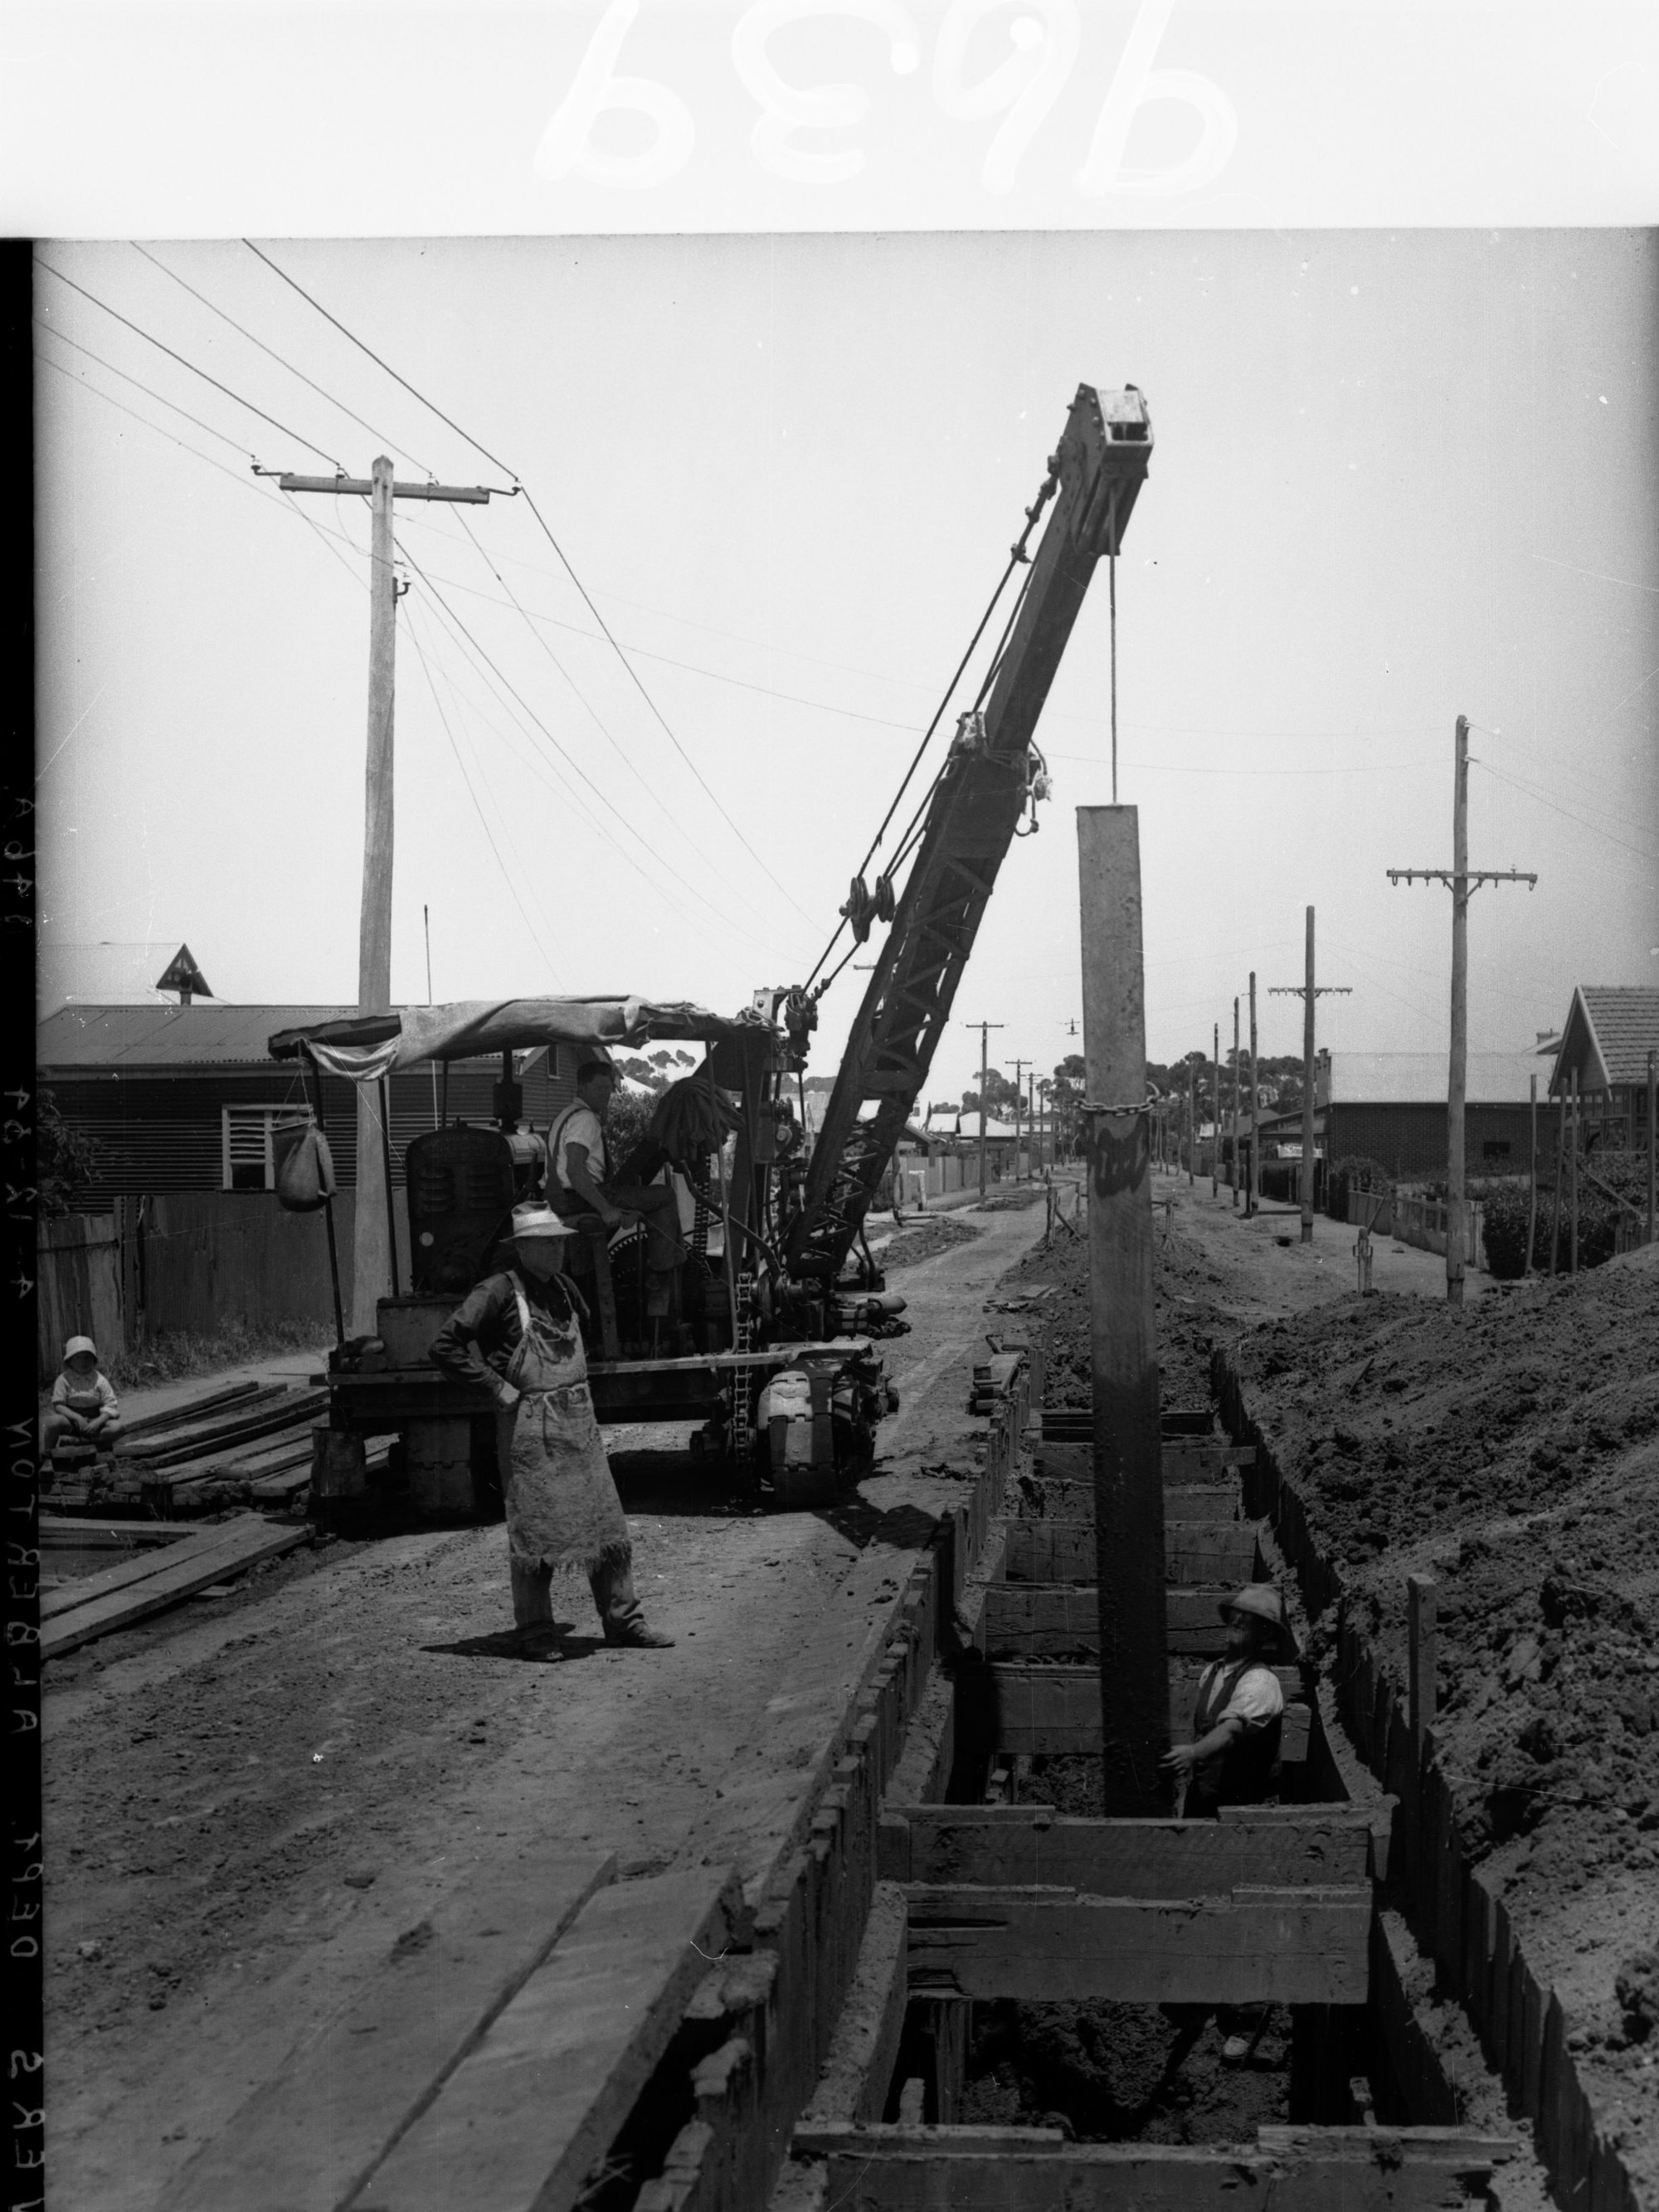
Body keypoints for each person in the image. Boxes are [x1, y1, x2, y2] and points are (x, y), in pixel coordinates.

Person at [429, 1204, 674, 1649]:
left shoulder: (565, 1288)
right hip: (528, 1425)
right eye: (547, 1243)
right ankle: (537, 1632)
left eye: (560, 1240)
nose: (558, 1249)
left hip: (578, 1421)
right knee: (535, 1528)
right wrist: (493, 1386)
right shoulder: (497, 1292)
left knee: (605, 1525)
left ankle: (624, 1622)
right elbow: (445, 1345)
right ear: (522, 1248)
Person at [1159, 1583, 1289, 2064]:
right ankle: (1204, 1998)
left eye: (1248, 1620)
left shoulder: (1261, 1683)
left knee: (1241, 1907)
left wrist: (1194, 1753)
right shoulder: (1212, 1672)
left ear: (1263, 1633)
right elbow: (1205, 1728)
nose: (1237, 1624)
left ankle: (1247, 2017)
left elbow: (1232, 1731)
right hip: (1205, 1802)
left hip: (1244, 1812)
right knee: (1200, 1896)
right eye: (1233, 1616)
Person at [545, 1060, 685, 1315]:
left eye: (609, 1088)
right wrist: (607, 1209)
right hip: (580, 1198)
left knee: (640, 1198)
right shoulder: (585, 1119)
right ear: (582, 1087)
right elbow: (576, 1171)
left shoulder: (566, 1115)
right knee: (664, 1196)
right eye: (599, 1088)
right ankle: (662, 1274)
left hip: (564, 1198)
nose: (606, 1095)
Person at [42, 1336, 122, 1454]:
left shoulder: (100, 1380)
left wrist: (98, 1422)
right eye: (78, 1357)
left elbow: (110, 1404)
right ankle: (48, 1455)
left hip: (95, 1422)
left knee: (118, 1427)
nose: (83, 1361)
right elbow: (58, 1405)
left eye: (87, 1357)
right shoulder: (63, 1379)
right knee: (52, 1423)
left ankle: (81, 1442)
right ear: (69, 1361)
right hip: (72, 1422)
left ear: (94, 1360)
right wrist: (77, 1417)